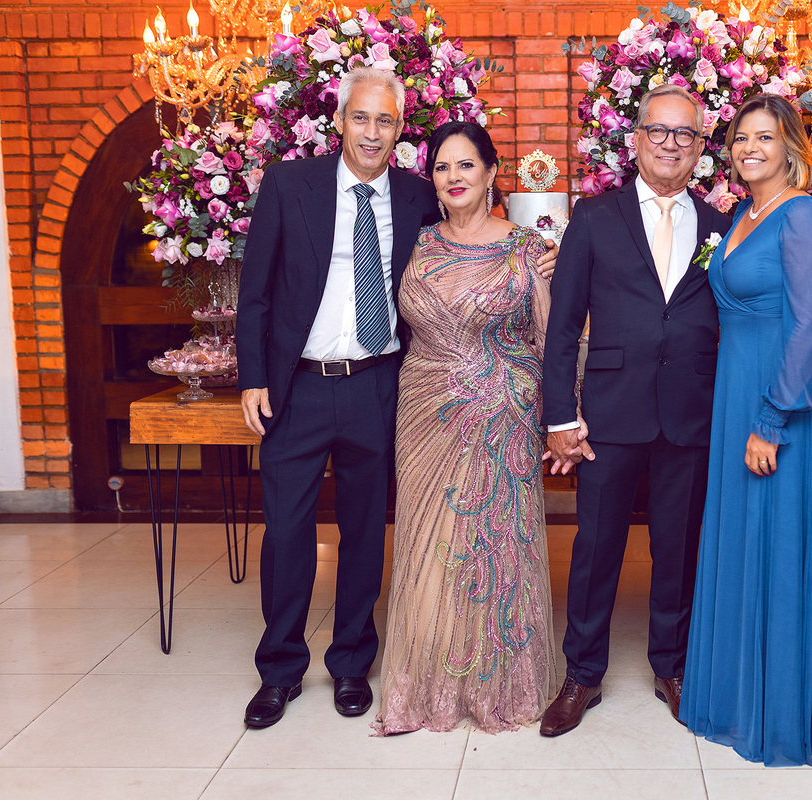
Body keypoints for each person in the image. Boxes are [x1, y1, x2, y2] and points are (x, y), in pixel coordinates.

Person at [236, 68, 555, 729]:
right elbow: (255, 291)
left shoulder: (417, 198)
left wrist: (545, 259)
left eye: (385, 121)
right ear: (339, 121)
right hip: (297, 386)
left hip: (381, 385)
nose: (371, 132)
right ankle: (280, 671)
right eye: (361, 117)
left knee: (365, 531)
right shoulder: (290, 185)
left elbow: (482, 247)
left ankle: (352, 662)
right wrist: (252, 377)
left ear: (399, 130)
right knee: (287, 532)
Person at [539, 84, 732, 736]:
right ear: (637, 139)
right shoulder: (595, 218)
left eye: (686, 134)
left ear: (700, 149)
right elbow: (563, 325)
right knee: (596, 549)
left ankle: (672, 667)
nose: (671, 144)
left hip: (691, 413)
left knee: (678, 548)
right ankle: (582, 674)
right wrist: (560, 416)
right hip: (610, 414)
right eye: (660, 131)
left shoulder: (721, 226)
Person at [679, 93, 812, 766]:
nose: (750, 148)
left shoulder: (803, 215)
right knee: (740, 539)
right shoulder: (740, 216)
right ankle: (732, 695)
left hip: (784, 400)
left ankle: (775, 712)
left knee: (777, 543)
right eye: (741, 138)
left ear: (791, 148)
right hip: (736, 392)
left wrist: (772, 419)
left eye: (765, 137)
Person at [372, 121, 559, 734]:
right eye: (442, 167)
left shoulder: (529, 248)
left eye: (466, 165)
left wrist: (562, 414)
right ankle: (430, 682)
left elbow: (551, 339)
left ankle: (498, 685)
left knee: (493, 546)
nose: (454, 177)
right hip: (422, 412)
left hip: (503, 417)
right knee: (429, 543)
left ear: (491, 172)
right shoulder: (414, 241)